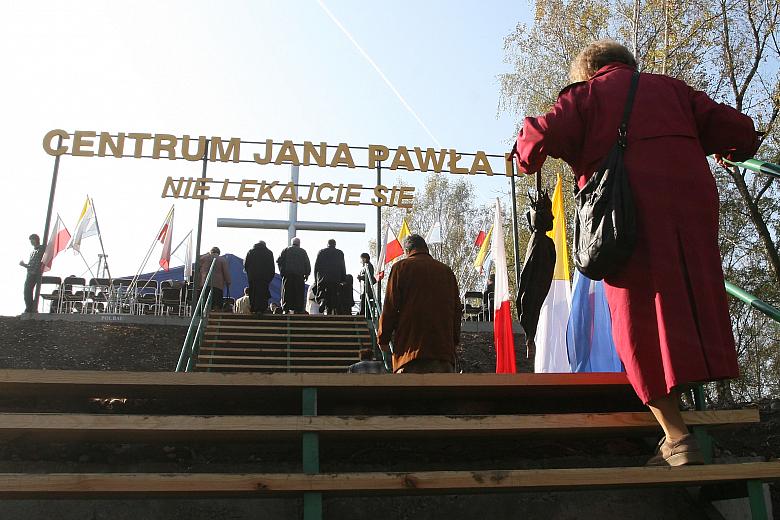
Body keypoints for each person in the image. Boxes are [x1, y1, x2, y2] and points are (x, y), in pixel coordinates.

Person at [513, 40, 760, 466]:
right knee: (684, 301)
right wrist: (725, 150)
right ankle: (690, 418)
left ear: (589, 71)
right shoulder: (675, 90)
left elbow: (536, 142)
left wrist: (522, 151)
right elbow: (740, 133)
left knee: (638, 318)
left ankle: (677, 437)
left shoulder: (585, 96)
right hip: (692, 208)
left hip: (625, 216)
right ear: (628, 64)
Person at [378, 234, 462, 373]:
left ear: (407, 251)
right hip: (442, 353)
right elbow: (456, 310)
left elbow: (390, 306)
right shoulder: (446, 271)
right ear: (426, 248)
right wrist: (454, 340)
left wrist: (383, 339)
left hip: (409, 353)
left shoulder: (400, 268)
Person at [276, 237, 311, 314]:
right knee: (298, 293)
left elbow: (279, 261)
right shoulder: (303, 252)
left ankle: (286, 309)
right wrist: (307, 274)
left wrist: (282, 272)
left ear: (292, 243)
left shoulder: (286, 250)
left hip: (288, 275)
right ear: (299, 244)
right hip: (299, 276)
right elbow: (307, 264)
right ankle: (298, 309)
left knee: (287, 292)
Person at [314, 238, 346, 315]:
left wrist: (316, 278)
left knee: (321, 291)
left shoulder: (321, 252)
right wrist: (343, 278)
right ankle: (329, 311)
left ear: (327, 244)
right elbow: (342, 266)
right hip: (335, 278)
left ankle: (322, 300)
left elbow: (316, 266)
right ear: (335, 245)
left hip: (323, 278)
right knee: (333, 295)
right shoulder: (340, 253)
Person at [244, 240, 275, 314]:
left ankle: (254, 308)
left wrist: (249, 275)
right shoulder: (269, 253)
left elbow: (246, 265)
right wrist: (269, 278)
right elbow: (272, 267)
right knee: (263, 294)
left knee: (253, 293)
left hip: (253, 277)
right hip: (264, 278)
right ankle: (262, 309)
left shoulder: (250, 252)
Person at [19, 234, 44, 313]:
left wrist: (24, 265)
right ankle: (30, 307)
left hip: (34, 274)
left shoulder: (40, 249)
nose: (31, 242)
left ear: (36, 240)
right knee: (27, 292)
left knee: (28, 291)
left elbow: (35, 265)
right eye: (30, 240)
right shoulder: (33, 251)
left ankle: (30, 308)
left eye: (32, 239)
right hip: (30, 273)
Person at [357, 252, 376, 317]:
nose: (361, 261)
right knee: (363, 302)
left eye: (361, 259)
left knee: (365, 303)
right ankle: (362, 313)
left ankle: (363, 314)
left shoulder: (368, 266)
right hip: (364, 289)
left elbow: (369, 276)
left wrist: (361, 277)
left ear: (364, 259)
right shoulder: (365, 267)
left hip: (367, 289)